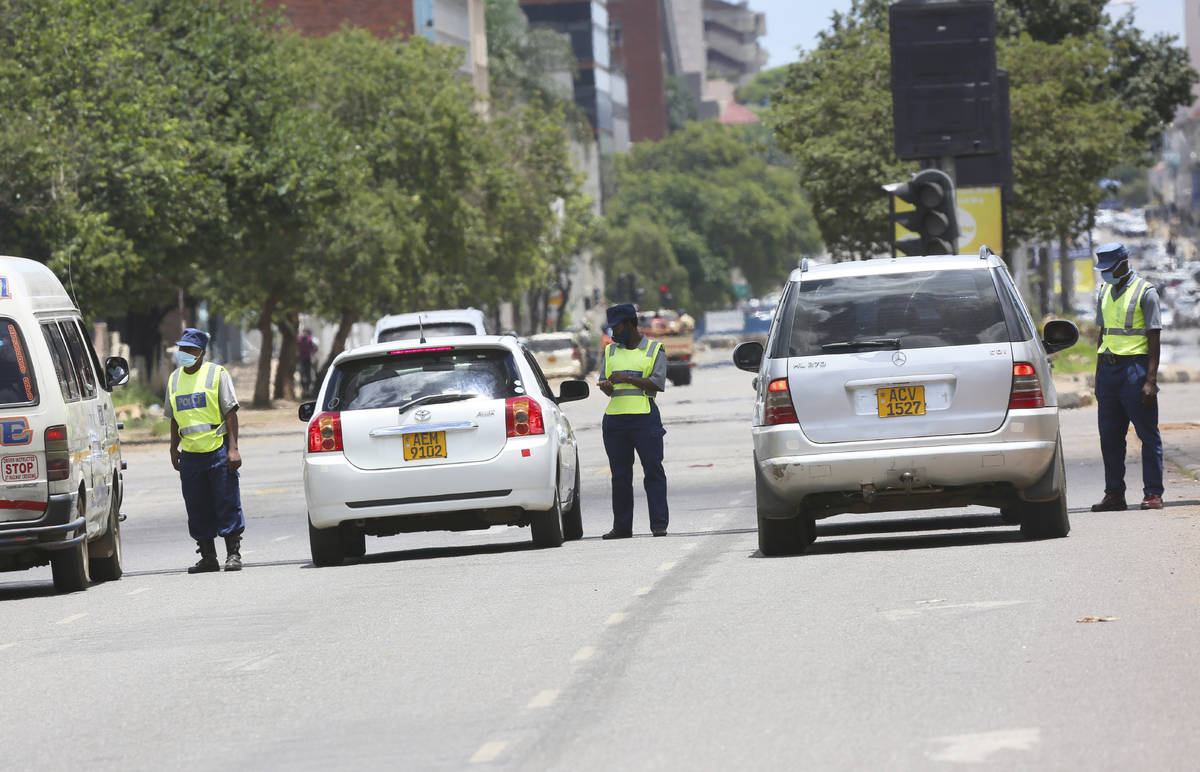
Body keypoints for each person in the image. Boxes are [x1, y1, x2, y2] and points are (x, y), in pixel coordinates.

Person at [1090, 242, 1164, 512]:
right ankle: (1114, 494)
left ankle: (1153, 493)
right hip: (1109, 371)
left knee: (1147, 434)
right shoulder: (1105, 291)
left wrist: (1150, 381)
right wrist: (1098, 376)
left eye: (1108, 269)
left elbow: (1154, 337)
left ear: (1123, 263)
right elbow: (1103, 334)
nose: (1105, 274)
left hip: (1136, 370)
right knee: (1109, 436)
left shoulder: (1146, 292)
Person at [166, 328, 246, 572]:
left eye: (189, 349)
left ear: (201, 352)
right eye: (182, 349)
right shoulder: (174, 379)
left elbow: (230, 412)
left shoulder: (216, 374)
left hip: (217, 448)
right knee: (196, 505)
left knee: (226, 501)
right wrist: (172, 448)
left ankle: (233, 554)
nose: (184, 353)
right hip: (190, 454)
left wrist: (233, 449)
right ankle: (208, 556)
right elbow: (173, 417)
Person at [597, 303, 669, 538]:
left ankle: (659, 525)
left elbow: (658, 383)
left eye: (616, 328)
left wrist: (627, 378)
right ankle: (622, 527)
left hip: (644, 419)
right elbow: (606, 386)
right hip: (615, 421)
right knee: (620, 476)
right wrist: (607, 386)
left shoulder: (654, 350)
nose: (613, 333)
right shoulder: (610, 351)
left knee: (653, 471)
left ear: (629, 324)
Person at [297, 327, 319, 397]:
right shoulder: (310, 339)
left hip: (306, 360)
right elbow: (315, 349)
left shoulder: (302, 339)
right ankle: (306, 390)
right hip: (306, 360)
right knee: (307, 374)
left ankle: (307, 390)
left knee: (307, 374)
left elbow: (315, 348)